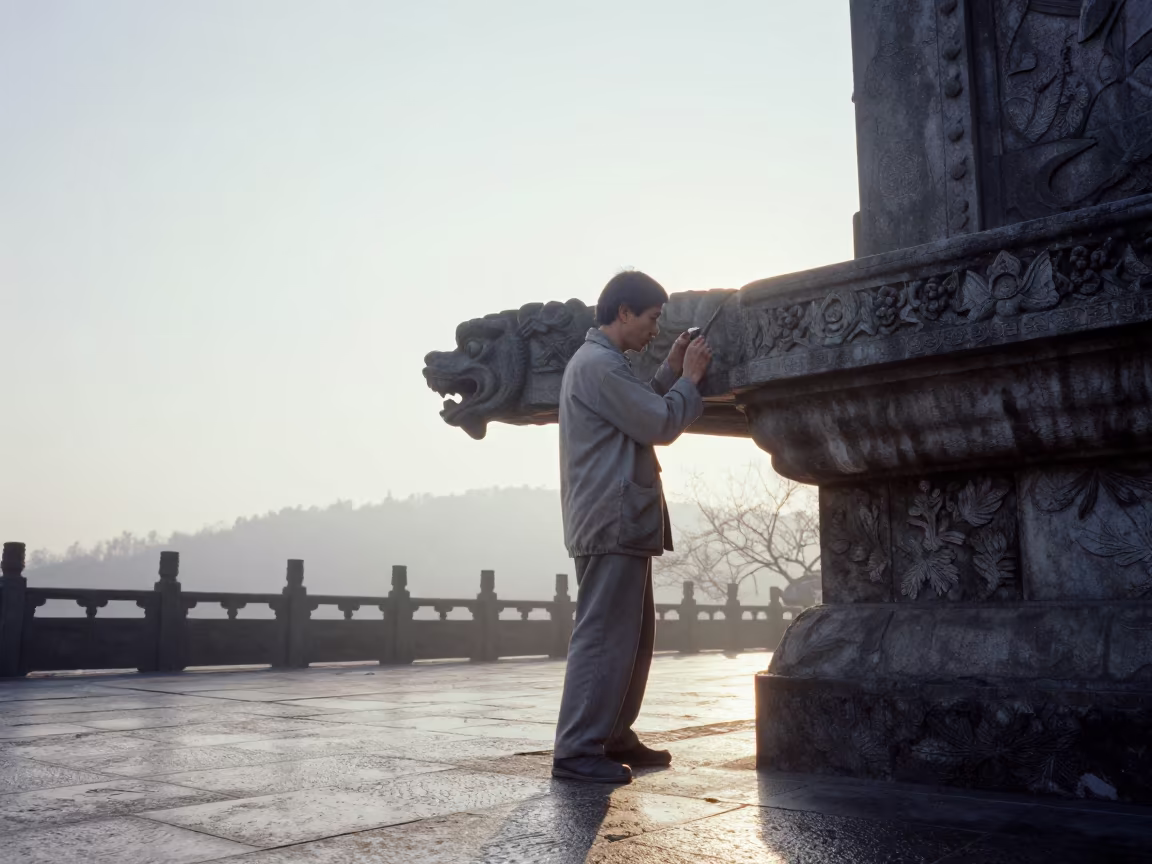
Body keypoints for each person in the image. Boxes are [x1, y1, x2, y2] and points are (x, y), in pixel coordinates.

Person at [552, 270, 713, 784]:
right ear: (623, 312)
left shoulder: (604, 365)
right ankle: (578, 750)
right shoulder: (599, 365)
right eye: (651, 318)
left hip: (619, 517)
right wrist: (688, 378)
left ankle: (614, 733)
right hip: (610, 518)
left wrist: (668, 374)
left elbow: (641, 407)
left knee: (634, 635)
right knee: (604, 636)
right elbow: (659, 424)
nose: (654, 329)